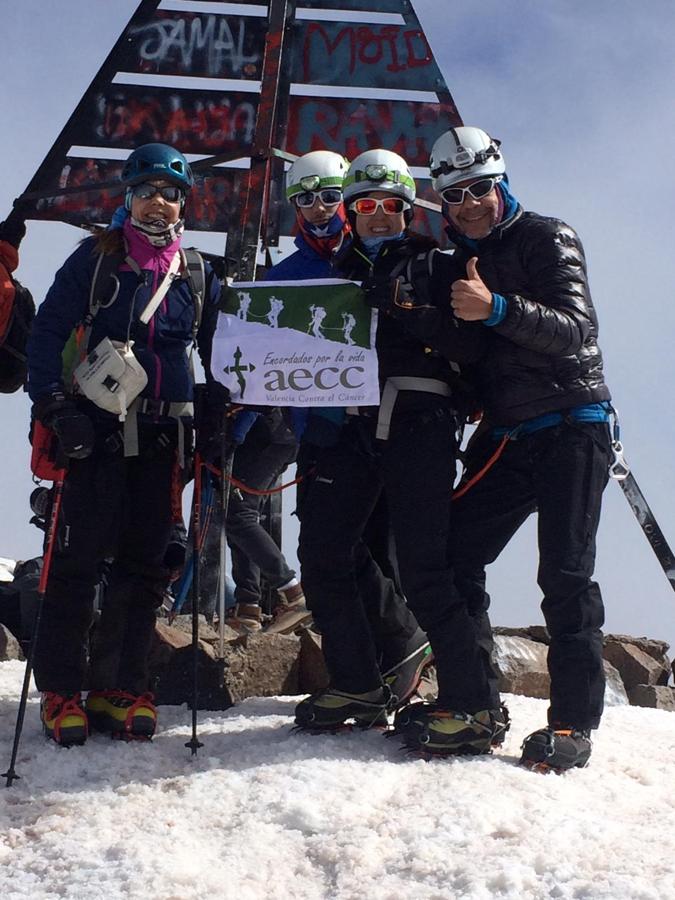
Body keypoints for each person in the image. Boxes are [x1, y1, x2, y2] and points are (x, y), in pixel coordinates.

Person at [403, 126, 612, 769]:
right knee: (452, 555)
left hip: (573, 424)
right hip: (508, 435)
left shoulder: (548, 236)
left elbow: (577, 328)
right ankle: (476, 704)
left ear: (501, 182)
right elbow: (479, 352)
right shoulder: (455, 257)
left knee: (565, 574)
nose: (467, 204)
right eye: (453, 195)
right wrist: (425, 320)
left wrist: (494, 307)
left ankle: (574, 725)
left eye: (478, 189)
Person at [26, 142, 220, 746]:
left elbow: (221, 355)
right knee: (76, 563)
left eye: (170, 193)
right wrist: (55, 405)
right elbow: (47, 331)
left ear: (184, 203)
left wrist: (222, 410)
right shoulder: (95, 260)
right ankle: (61, 690)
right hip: (97, 432)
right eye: (146, 192)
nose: (158, 203)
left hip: (166, 435)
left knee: (144, 566)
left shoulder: (198, 272)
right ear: (128, 199)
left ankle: (122, 686)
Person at [293, 149, 489, 733]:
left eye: (391, 205)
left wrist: (412, 314)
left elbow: (471, 347)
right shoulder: (335, 270)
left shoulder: (437, 263)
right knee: (324, 553)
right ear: (351, 211)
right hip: (348, 425)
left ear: (408, 209)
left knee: (427, 564)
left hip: (418, 420)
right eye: (367, 205)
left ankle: (473, 698)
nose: (379, 215)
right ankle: (356, 683)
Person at [267, 150, 432, 694]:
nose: (318, 209)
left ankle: (397, 658)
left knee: (382, 547)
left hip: (388, 424)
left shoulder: (375, 257)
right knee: (330, 547)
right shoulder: (287, 275)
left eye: (330, 196)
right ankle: (367, 668)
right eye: (305, 198)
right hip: (322, 430)